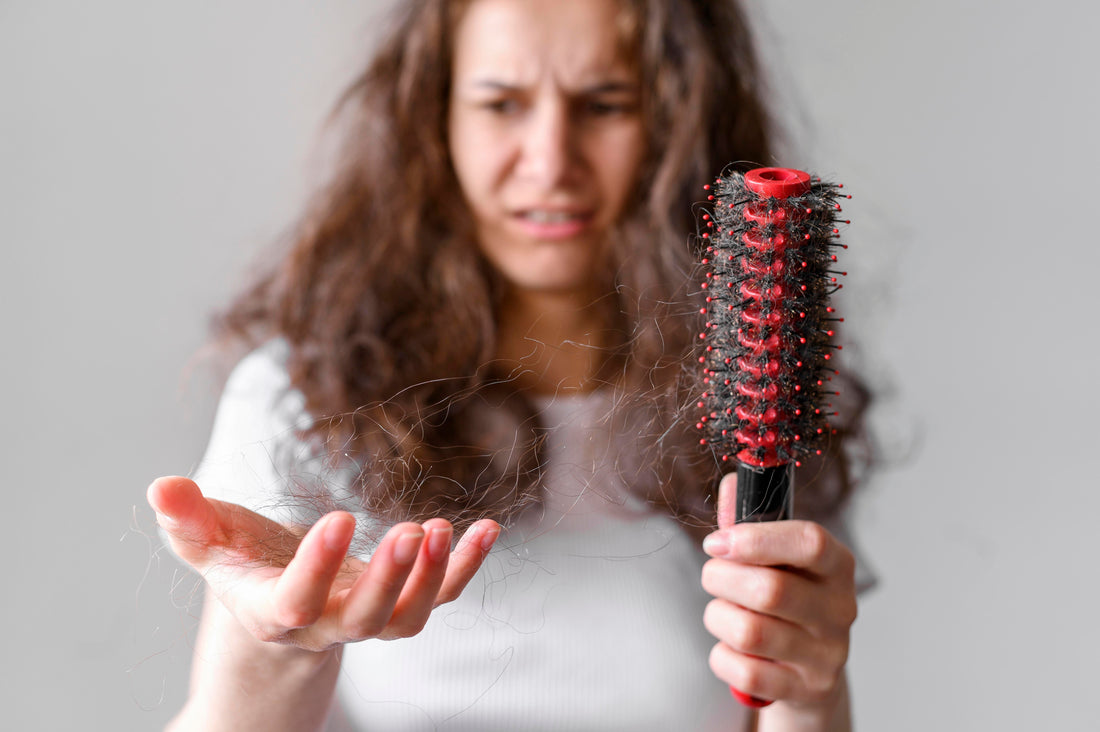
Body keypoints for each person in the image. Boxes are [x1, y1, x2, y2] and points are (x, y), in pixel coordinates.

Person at [148, 0, 871, 729]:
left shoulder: (762, 403)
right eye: (501, 104)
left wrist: (810, 692)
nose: (551, 160)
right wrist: (279, 646)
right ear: (437, 120)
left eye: (604, 103)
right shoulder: (301, 401)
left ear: (680, 120)